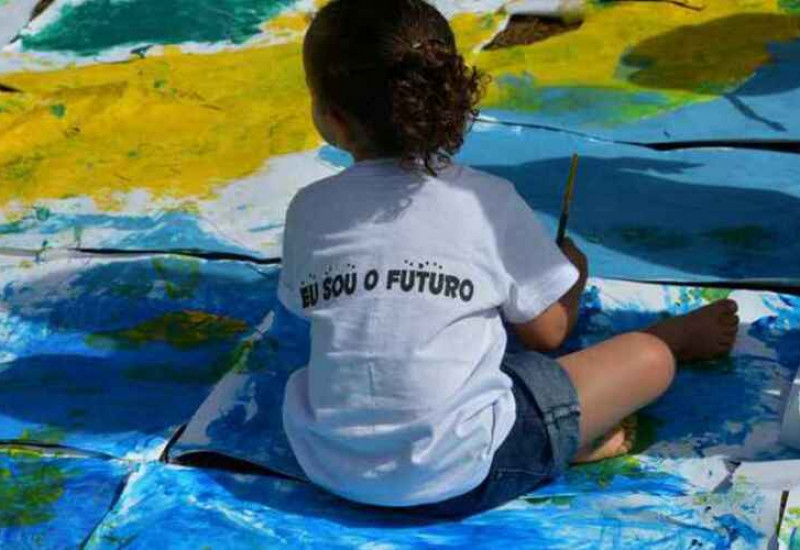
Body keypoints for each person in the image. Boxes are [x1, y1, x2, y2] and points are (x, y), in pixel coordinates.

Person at [277, 0, 740, 519]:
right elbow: (548, 333)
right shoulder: (484, 201)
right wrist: (572, 275)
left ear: (333, 119)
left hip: (329, 465)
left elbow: (312, 308)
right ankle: (667, 347)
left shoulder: (308, 208)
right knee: (647, 358)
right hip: (466, 472)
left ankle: (562, 439)